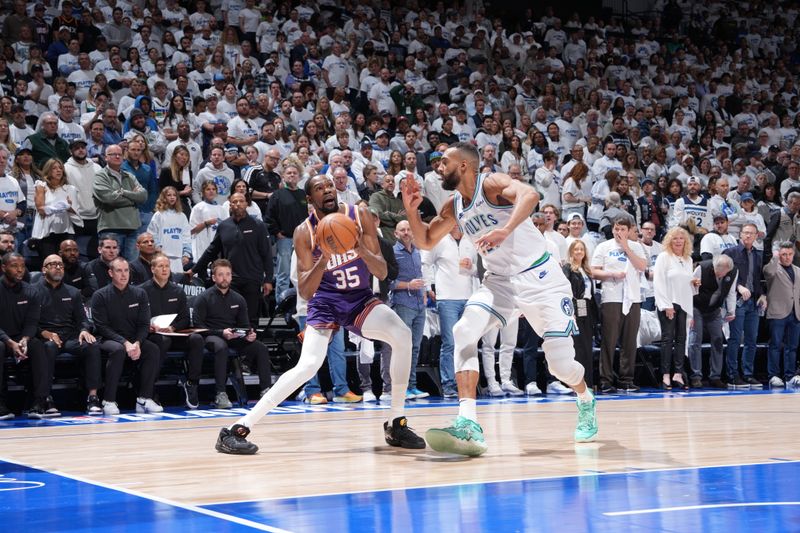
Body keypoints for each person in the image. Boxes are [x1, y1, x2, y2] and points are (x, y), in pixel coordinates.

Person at [400, 142, 597, 456]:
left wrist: (505, 230)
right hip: (500, 283)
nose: (438, 167)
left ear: (464, 165)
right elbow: (425, 239)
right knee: (464, 331)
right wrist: (411, 211)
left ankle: (585, 399)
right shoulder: (454, 206)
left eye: (444, 162)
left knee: (560, 366)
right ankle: (468, 422)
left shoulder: (490, 184)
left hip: (541, 279)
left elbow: (530, 195)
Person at [215, 176, 425, 455]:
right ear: (310, 200)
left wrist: (359, 247)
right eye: (319, 188)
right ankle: (236, 429)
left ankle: (396, 422)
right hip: (325, 302)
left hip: (359, 299)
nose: (327, 190)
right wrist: (325, 257)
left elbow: (383, 272)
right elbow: (304, 289)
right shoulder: (305, 231)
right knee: (309, 365)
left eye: (329, 185)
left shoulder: (358, 214)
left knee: (402, 335)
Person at [193, 259, 272, 409]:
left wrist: (249, 334)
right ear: (214, 277)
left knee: (260, 347)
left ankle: (266, 391)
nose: (225, 278)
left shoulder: (238, 298)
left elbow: (244, 325)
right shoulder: (203, 298)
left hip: (234, 336)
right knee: (221, 346)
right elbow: (198, 327)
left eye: (228, 274)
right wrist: (221, 333)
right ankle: (220, 394)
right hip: (211, 336)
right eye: (221, 274)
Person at [90, 257, 162, 415]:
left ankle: (144, 398)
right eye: (119, 271)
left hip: (133, 338)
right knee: (118, 350)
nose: (123, 274)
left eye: (126, 270)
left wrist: (136, 342)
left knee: (153, 349)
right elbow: (102, 327)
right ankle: (108, 400)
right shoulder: (100, 295)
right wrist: (125, 343)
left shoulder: (140, 293)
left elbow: (144, 324)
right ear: (110, 273)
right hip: (108, 339)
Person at [193, 192, 273, 328]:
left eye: (241, 201)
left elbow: (267, 254)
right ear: (230, 205)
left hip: (252, 279)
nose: (238, 204)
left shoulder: (258, 225)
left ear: (247, 204)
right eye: (234, 202)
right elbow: (212, 250)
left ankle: (251, 346)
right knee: (230, 317)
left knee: (251, 318)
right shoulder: (224, 226)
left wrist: (268, 280)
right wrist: (194, 269)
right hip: (230, 280)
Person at [35, 254, 101, 415]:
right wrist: (45, 333)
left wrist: (85, 330)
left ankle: (92, 397)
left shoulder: (73, 292)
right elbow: (28, 322)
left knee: (92, 346)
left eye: (60, 265)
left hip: (70, 336)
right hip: (46, 336)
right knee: (48, 348)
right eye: (53, 264)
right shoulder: (33, 291)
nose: (58, 267)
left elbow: (83, 319)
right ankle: (46, 398)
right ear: (44, 269)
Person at [591, 215, 648, 393]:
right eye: (616, 229)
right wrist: (612, 275)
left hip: (632, 298)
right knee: (609, 340)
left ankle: (626, 379)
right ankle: (606, 380)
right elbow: (593, 271)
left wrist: (626, 247)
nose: (619, 232)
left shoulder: (637, 246)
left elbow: (642, 266)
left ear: (629, 230)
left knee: (629, 341)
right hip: (611, 297)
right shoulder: (603, 246)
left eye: (623, 229)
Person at [140, 253, 205, 409]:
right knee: (162, 341)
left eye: (167, 266)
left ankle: (192, 383)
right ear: (152, 269)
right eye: (161, 266)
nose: (164, 269)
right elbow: (136, 318)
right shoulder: (141, 291)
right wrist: (149, 327)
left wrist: (172, 327)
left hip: (173, 333)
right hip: (152, 336)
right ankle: (150, 389)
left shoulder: (177, 291)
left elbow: (184, 319)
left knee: (196, 339)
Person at [421, 224, 478, 398]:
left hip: (468, 297)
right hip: (446, 298)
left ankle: (467, 385)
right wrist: (428, 286)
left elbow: (476, 269)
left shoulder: (470, 240)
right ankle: (449, 385)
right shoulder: (440, 240)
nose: (456, 224)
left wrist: (471, 267)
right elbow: (425, 262)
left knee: (467, 343)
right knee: (450, 343)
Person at [0, 253, 49, 420]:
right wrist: (9, 342)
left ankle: (39, 402)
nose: (20, 270)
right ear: (3, 268)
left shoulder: (31, 291)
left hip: (21, 338)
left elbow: (32, 321)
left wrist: (25, 339)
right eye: (14, 266)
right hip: (2, 338)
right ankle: (0, 403)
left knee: (38, 346)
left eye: (22, 266)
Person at [653, 227, 698, 390]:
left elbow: (688, 283)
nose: (678, 241)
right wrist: (666, 305)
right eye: (675, 238)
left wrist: (695, 283)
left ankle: (678, 374)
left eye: (681, 238)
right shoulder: (664, 257)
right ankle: (665, 375)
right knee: (667, 339)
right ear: (669, 241)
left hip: (684, 303)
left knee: (681, 339)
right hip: (668, 303)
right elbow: (658, 282)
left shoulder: (688, 259)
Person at [723, 223, 766, 389]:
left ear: (756, 236)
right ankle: (732, 375)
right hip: (737, 302)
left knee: (751, 340)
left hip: (753, 303)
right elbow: (723, 276)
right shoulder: (731, 252)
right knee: (734, 339)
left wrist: (762, 295)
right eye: (745, 233)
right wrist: (738, 286)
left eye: (751, 233)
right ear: (740, 235)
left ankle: (748, 374)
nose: (748, 236)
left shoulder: (757, 255)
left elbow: (757, 278)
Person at [688, 256, 737, 390]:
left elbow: (731, 292)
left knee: (718, 340)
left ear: (727, 270)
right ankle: (696, 376)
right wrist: (689, 314)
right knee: (695, 340)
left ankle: (715, 377)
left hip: (715, 309)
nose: (718, 274)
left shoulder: (733, 272)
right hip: (696, 307)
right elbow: (690, 289)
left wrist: (731, 311)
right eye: (716, 271)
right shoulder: (701, 268)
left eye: (721, 273)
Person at [92, 144, 147, 261]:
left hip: (132, 228)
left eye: (120, 154)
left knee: (131, 267)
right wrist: (133, 198)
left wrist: (124, 192)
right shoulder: (100, 176)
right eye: (113, 154)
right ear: (106, 157)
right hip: (111, 228)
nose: (117, 156)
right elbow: (109, 199)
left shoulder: (129, 176)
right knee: (110, 265)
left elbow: (143, 196)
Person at [265, 162, 307, 303]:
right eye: (289, 173)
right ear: (283, 176)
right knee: (284, 273)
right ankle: (281, 305)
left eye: (294, 173)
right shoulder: (277, 195)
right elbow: (269, 217)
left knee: (302, 273)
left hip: (302, 240)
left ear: (299, 176)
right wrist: (277, 233)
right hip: (285, 239)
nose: (292, 175)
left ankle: (300, 303)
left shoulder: (303, 195)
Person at [763, 242, 800, 388]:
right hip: (777, 312)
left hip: (795, 313)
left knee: (792, 346)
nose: (787, 257)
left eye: (790, 254)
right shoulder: (772, 269)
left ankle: (790, 375)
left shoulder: (798, 270)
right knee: (775, 345)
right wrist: (774, 258)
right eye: (784, 254)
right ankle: (773, 375)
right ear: (779, 254)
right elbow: (769, 271)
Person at [563, 239, 599, 389]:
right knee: (577, 348)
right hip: (575, 309)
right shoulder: (568, 268)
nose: (579, 252)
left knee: (586, 347)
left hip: (587, 310)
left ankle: (588, 383)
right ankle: (576, 383)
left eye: (581, 250)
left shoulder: (586, 269)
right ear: (571, 251)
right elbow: (565, 290)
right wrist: (570, 311)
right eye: (576, 249)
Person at [32, 158, 80, 260]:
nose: (58, 170)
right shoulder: (41, 186)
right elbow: (40, 209)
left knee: (67, 262)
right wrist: (57, 208)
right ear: (48, 171)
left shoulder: (70, 189)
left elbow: (76, 213)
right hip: (47, 231)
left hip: (65, 230)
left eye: (60, 168)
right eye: (54, 168)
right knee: (50, 261)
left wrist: (68, 207)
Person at [147, 187, 192, 272]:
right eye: (169, 195)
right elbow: (152, 234)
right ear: (164, 197)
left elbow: (186, 236)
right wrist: (157, 247)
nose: (172, 197)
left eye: (174, 195)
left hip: (178, 258)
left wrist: (186, 254)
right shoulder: (158, 215)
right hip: (162, 256)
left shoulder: (182, 216)